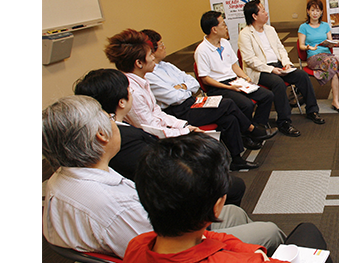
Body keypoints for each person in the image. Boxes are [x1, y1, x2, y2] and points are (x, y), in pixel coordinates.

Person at [124, 132, 339, 263]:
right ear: (217, 206)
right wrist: (258, 258)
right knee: (309, 234)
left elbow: (214, 238)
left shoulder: (135, 249)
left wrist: (253, 254)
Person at [42, 95, 285, 258]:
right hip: (180, 255)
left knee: (235, 212)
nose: (112, 120)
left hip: (161, 236)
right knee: (270, 231)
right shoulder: (115, 206)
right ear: (101, 136)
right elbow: (169, 251)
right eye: (106, 117)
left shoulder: (60, 181)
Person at [73, 68, 247, 205]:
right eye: (128, 91)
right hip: (165, 192)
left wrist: (185, 128)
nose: (131, 92)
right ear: (121, 102)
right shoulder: (121, 138)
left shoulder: (99, 132)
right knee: (232, 183)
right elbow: (158, 170)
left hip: (159, 168)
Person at [104, 28, 260, 171]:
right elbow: (151, 128)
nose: (153, 58)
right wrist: (185, 130)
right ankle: (250, 132)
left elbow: (159, 111)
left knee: (229, 117)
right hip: (157, 139)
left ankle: (236, 158)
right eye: (150, 54)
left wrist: (183, 125)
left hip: (177, 115)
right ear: (139, 63)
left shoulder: (143, 80)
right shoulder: (134, 91)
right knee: (226, 107)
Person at [142, 29, 277, 151]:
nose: (164, 46)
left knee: (232, 116)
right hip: (179, 110)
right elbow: (175, 98)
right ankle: (252, 130)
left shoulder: (167, 66)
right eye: (161, 44)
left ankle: (238, 158)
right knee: (230, 104)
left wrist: (182, 87)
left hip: (193, 100)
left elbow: (193, 83)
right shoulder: (149, 75)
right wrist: (184, 88)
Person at [238, 0, 326, 134]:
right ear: (254, 16)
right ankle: (284, 122)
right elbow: (250, 60)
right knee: (278, 83)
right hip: (260, 70)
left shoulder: (270, 29)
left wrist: (286, 63)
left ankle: (312, 111)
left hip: (278, 65)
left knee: (301, 75)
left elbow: (280, 49)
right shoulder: (245, 34)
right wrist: (271, 70)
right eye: (262, 11)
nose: (266, 13)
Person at [194, 10, 279, 133]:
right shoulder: (202, 50)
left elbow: (234, 65)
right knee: (246, 104)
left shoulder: (224, 43)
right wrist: (228, 88)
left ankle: (257, 127)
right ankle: (246, 133)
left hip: (234, 81)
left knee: (267, 95)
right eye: (223, 24)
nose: (226, 27)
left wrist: (245, 77)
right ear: (214, 30)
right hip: (218, 86)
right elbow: (205, 79)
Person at [298, 0, 339, 113]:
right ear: (308, 11)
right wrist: (309, 47)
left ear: (321, 12)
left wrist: (330, 43)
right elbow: (301, 45)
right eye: (312, 10)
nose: (315, 13)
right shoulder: (304, 27)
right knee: (335, 62)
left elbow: (330, 41)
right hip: (313, 57)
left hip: (327, 56)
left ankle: (336, 102)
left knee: (334, 70)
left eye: (318, 10)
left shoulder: (325, 25)